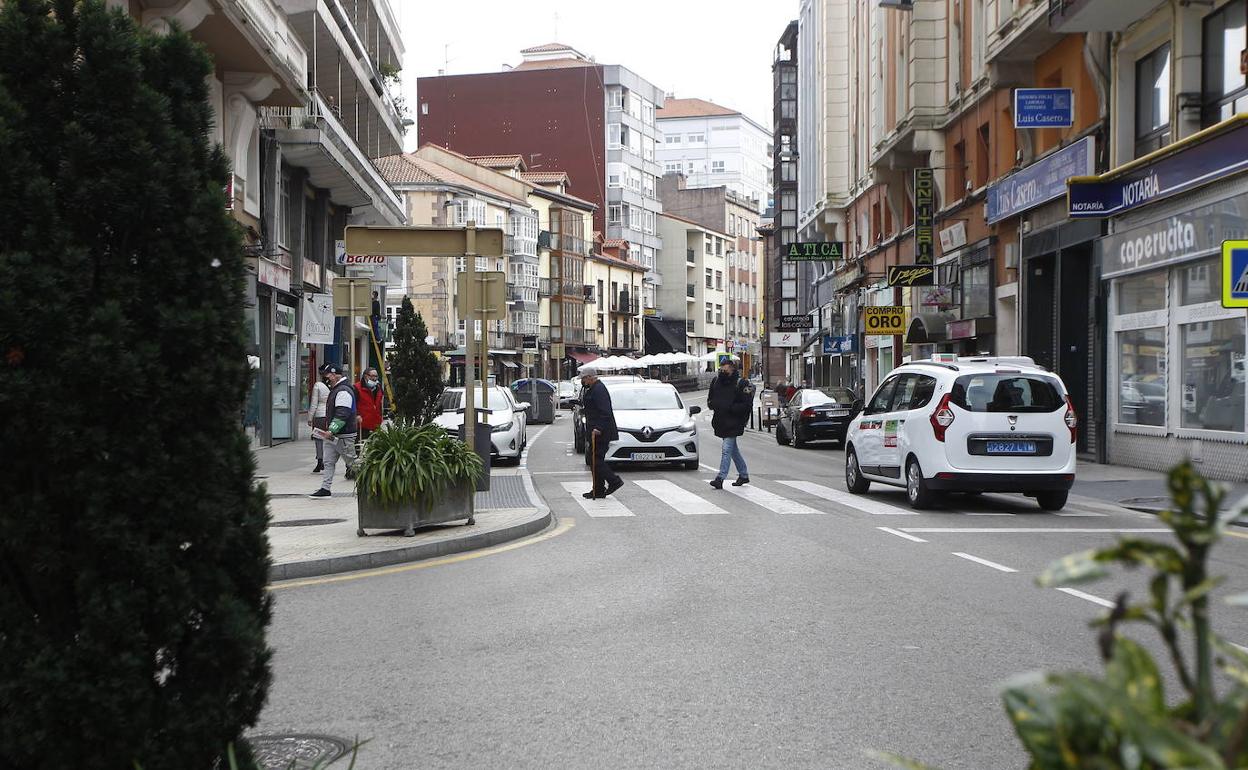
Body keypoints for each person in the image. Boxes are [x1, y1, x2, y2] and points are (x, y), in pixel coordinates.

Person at [309, 363, 358, 499]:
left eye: (328, 375)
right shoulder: (338, 389)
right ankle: (325, 488)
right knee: (329, 461)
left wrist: (331, 429)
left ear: (335, 374)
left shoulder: (343, 391)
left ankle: (368, 484)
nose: (326, 378)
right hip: (334, 435)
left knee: (352, 462)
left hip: (343, 435)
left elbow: (343, 413)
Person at [707, 358, 754, 490]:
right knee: (733, 451)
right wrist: (713, 404)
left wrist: (732, 408)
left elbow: (747, 404)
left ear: (732, 367)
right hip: (721, 421)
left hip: (734, 422)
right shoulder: (716, 381)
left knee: (726, 449)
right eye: (721, 366)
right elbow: (710, 398)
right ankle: (743, 475)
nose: (722, 368)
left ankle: (720, 478)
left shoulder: (741, 383)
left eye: (725, 366)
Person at [579, 367, 623, 499]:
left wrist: (599, 427)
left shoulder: (599, 390)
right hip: (596, 430)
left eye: (584, 379)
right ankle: (598, 489)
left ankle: (614, 481)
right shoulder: (593, 389)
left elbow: (605, 411)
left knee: (596, 460)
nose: (583, 381)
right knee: (594, 460)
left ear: (590, 377)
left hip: (600, 432)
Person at [309, 369, 331, 473]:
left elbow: (314, 403)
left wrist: (310, 417)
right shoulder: (332, 386)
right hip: (329, 415)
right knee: (330, 440)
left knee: (318, 440)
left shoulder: (318, 385)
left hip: (319, 415)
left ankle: (320, 461)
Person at [355, 367, 384, 441]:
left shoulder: (378, 387)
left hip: (376, 424)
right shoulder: (356, 388)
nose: (374, 378)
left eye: (376, 376)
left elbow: (379, 404)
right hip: (362, 425)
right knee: (361, 447)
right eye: (372, 376)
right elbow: (353, 404)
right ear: (365, 376)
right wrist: (357, 415)